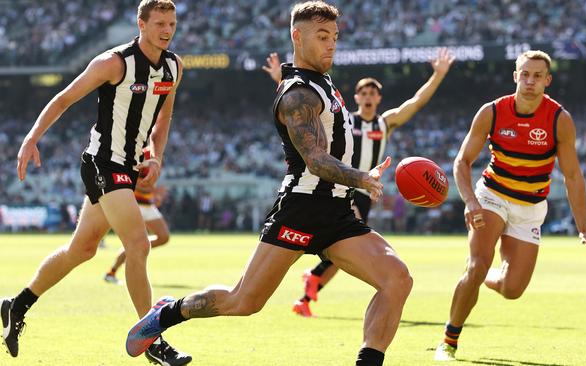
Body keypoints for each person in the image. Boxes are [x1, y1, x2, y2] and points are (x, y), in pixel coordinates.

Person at [126, 2, 412, 365]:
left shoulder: (322, 82)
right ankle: (165, 313)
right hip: (301, 209)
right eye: (322, 36)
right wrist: (362, 177)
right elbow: (316, 160)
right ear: (297, 36)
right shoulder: (298, 95)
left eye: (335, 37)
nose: (331, 45)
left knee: (397, 279)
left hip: (338, 212)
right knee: (243, 301)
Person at [1, 1, 191, 365]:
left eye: (172, 23)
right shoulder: (114, 62)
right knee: (138, 245)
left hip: (129, 168)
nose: (168, 30)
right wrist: (31, 139)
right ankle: (151, 340)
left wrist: (157, 153)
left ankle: (16, 304)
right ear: (141, 24)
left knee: (82, 250)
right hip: (103, 162)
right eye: (160, 23)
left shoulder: (174, 66)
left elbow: (164, 115)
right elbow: (64, 98)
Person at [434, 50, 586, 361]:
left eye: (537, 76)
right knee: (477, 263)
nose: (530, 81)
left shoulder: (559, 119)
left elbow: (574, 176)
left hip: (531, 207)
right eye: (525, 74)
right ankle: (449, 340)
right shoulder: (492, 111)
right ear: (515, 76)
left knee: (512, 289)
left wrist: (584, 229)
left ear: (547, 81)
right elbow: (462, 161)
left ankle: (479, 275)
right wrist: (470, 202)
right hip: (492, 196)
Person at [264, 47, 455, 317]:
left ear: (378, 98)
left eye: (372, 93)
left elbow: (416, 102)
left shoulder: (385, 123)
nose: (367, 97)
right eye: (362, 93)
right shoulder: (345, 119)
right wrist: (279, 80)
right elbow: (304, 108)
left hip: (366, 192)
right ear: (356, 97)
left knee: (340, 251)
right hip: (342, 187)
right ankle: (311, 280)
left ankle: (308, 291)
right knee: (343, 242)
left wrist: (438, 75)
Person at [104, 147, 171, 285]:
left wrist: (155, 197)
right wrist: (154, 190)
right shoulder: (143, 154)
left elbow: (147, 185)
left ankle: (137, 247)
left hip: (147, 205)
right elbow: (133, 182)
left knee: (163, 237)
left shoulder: (157, 158)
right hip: (135, 205)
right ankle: (111, 272)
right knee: (135, 243)